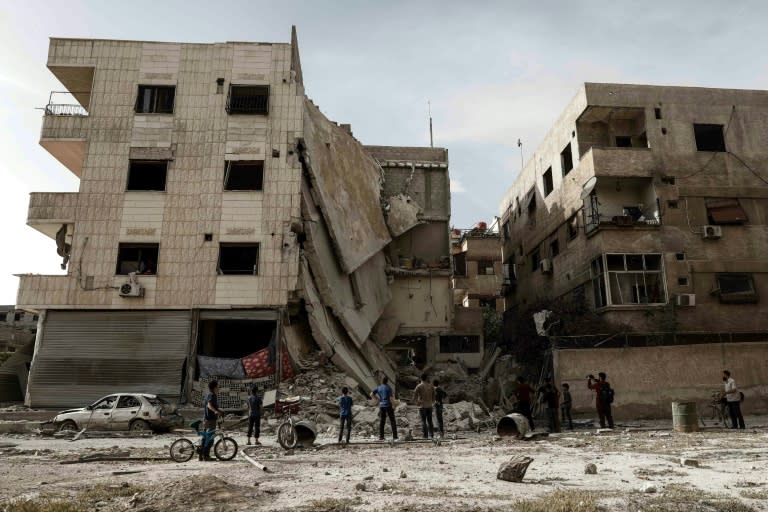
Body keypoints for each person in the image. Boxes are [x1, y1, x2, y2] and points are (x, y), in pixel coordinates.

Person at [371, 376, 398, 441]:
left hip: (382, 406)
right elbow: (391, 398)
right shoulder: (388, 388)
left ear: (381, 381)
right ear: (387, 381)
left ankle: (381, 436)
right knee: (392, 421)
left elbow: (371, 394)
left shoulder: (379, 387)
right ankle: (395, 436)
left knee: (382, 421)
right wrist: (394, 405)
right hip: (388, 405)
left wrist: (377, 399)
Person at [202, 380, 224, 461]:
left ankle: (202, 455)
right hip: (211, 419)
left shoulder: (208, 394)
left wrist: (218, 410)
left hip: (206, 418)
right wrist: (215, 411)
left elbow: (209, 405)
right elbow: (209, 405)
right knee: (210, 439)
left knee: (204, 438)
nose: (218, 388)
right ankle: (206, 456)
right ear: (215, 387)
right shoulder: (212, 395)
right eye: (218, 386)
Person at [413, 374, 435, 439]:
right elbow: (434, 396)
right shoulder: (431, 386)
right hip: (429, 406)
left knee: (423, 421)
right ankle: (431, 435)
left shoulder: (419, 386)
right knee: (430, 421)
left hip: (422, 406)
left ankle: (425, 435)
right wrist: (432, 402)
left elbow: (414, 396)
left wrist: (417, 403)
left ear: (421, 378)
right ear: (426, 378)